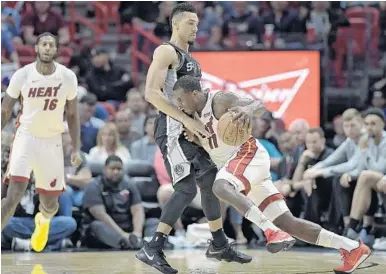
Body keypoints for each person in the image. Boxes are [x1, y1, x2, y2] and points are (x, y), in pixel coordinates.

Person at [172, 75, 371, 274]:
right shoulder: (190, 120)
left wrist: (247, 110)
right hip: (241, 168)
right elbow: (213, 146)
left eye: (181, 99)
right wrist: (195, 140)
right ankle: (352, 247)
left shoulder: (219, 99)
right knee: (288, 223)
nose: (179, 105)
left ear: (195, 94)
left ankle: (271, 231)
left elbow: (259, 105)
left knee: (220, 186)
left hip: (248, 154)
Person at [135, 3, 251, 274]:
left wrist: (202, 124)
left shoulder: (193, 61)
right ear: (175, 24)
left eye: (197, 23)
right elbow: (151, 93)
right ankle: (153, 247)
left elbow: (192, 103)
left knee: (211, 180)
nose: (195, 27)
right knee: (186, 188)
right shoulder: (166, 51)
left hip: (188, 128)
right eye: (190, 23)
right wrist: (187, 120)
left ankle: (219, 243)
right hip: (171, 128)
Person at [1, 32, 82, 253]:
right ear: (36, 48)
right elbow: (6, 108)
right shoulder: (22, 75)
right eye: (43, 44)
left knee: (50, 205)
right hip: (26, 137)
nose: (47, 48)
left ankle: (43, 222)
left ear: (56, 50)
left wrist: (76, 148)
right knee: (14, 194)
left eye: (51, 45)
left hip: (53, 141)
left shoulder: (67, 77)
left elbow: (73, 115)